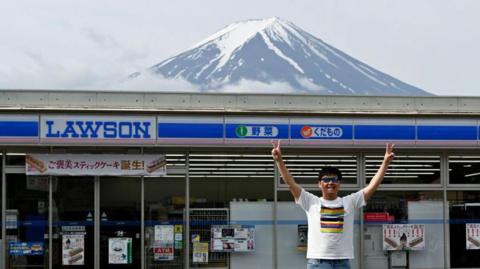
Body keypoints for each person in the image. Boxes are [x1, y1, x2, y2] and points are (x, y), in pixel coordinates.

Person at [271, 140, 395, 269]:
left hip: (342, 262)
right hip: (318, 262)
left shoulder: (349, 202)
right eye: (326, 179)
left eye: (334, 179)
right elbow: (291, 184)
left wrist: (385, 163)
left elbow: (372, 186)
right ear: (319, 183)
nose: (330, 182)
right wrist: (279, 160)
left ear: (339, 183)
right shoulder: (311, 202)